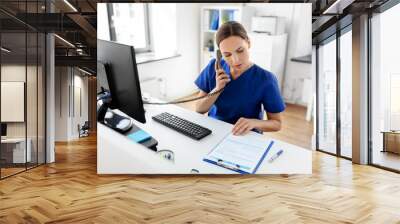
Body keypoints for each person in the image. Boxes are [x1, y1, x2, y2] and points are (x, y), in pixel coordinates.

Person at [194, 21, 285, 136]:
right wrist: (217, 89)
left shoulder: (266, 79)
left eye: (240, 50)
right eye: (227, 55)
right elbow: (199, 109)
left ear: (248, 43)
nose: (235, 60)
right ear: (220, 54)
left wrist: (253, 123)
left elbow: (277, 124)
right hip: (215, 132)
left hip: (246, 136)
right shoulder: (213, 68)